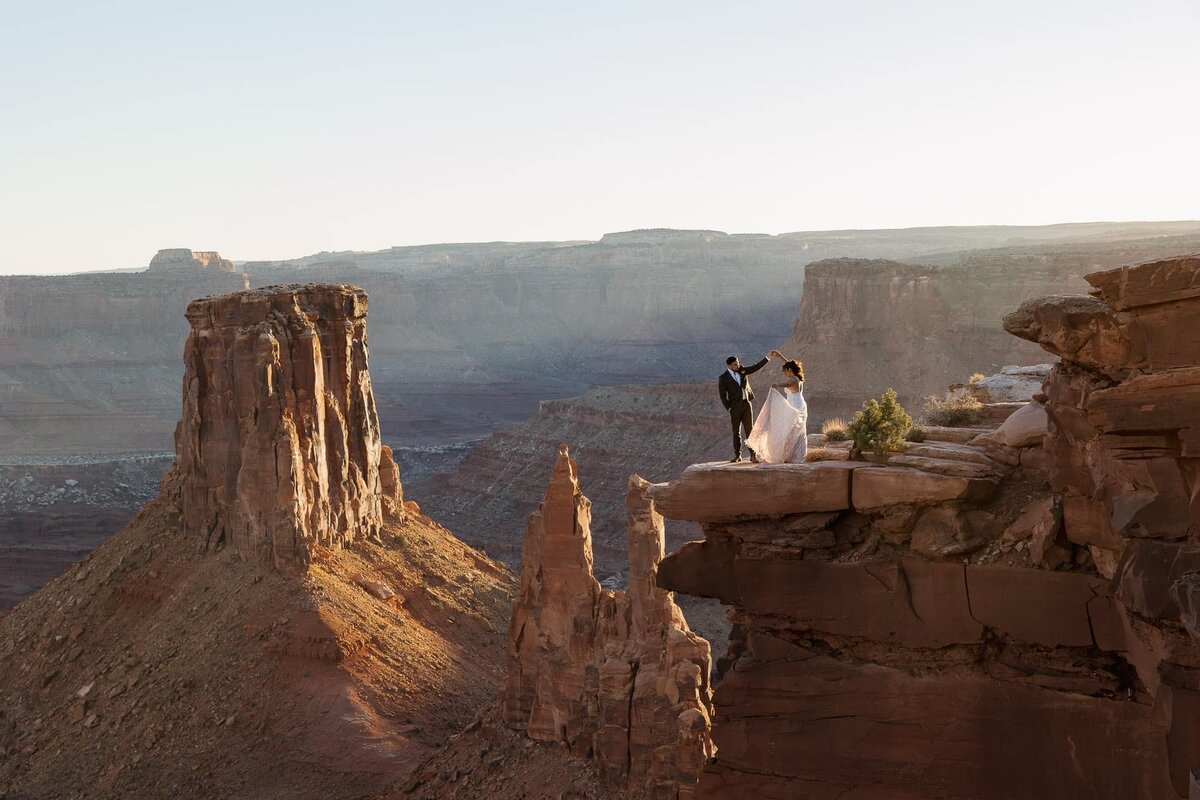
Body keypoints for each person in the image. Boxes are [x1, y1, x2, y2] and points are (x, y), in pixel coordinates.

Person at [745, 349, 808, 463]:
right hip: (796, 404)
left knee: (792, 430)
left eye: (785, 371)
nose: (784, 373)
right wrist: (779, 356)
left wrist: (778, 384)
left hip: (796, 406)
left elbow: (788, 384)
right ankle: (791, 454)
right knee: (792, 431)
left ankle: (793, 455)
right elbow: (788, 364)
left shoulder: (793, 380)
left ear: (789, 370)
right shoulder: (796, 375)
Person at [718, 354, 770, 463]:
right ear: (729, 366)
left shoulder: (743, 371)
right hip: (735, 408)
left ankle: (753, 455)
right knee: (736, 432)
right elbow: (722, 395)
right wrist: (729, 408)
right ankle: (737, 455)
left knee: (750, 431)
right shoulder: (723, 378)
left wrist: (767, 357)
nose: (738, 365)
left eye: (738, 363)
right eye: (735, 364)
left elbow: (756, 367)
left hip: (746, 405)